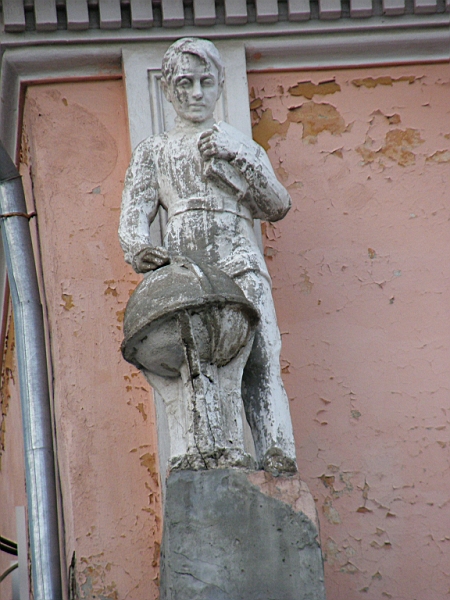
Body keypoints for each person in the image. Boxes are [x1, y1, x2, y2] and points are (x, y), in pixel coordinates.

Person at [119, 38, 297, 473]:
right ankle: (208, 448)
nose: (196, 93)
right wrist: (138, 247)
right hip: (189, 267)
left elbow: (276, 205)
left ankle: (277, 450)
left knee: (262, 355)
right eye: (184, 83)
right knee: (196, 363)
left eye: (205, 82)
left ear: (219, 84)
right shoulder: (155, 150)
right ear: (167, 89)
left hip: (241, 257)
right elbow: (134, 212)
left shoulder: (239, 143)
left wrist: (240, 156)